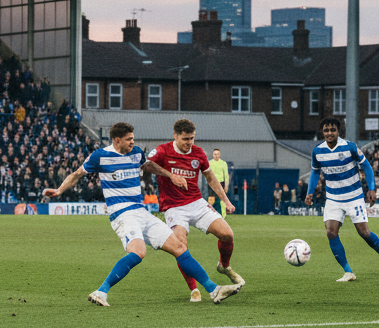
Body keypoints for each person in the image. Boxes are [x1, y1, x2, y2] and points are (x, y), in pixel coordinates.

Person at [43, 121, 240, 307]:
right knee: (138, 252)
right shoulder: (100, 156)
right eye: (129, 139)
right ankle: (101, 291)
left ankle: (214, 290)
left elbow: (148, 165)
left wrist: (171, 175)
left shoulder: (136, 153)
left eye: (133, 139)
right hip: (122, 214)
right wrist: (59, 191)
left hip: (141, 212)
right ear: (117, 140)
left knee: (179, 247)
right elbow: (76, 174)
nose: (133, 142)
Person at [143, 119, 244, 303]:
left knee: (227, 234)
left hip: (196, 202)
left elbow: (211, 178)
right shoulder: (163, 150)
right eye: (185, 139)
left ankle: (224, 266)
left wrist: (226, 201)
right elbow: (147, 165)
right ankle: (194, 289)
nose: (189, 142)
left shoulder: (198, 153)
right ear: (175, 136)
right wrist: (170, 175)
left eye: (192, 138)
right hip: (174, 206)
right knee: (181, 245)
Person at [303, 117, 379, 281]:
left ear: (338, 132)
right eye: (326, 130)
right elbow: (315, 172)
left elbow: (366, 165)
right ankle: (348, 271)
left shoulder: (350, 147)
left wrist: (372, 189)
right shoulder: (318, 151)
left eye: (332, 130)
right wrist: (310, 192)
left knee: (364, 233)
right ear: (322, 132)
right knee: (331, 232)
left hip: (354, 197)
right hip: (333, 198)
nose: (329, 133)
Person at [209, 148, 230, 215]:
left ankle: (223, 215)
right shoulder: (209, 163)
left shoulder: (223, 163)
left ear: (220, 154)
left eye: (217, 154)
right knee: (211, 199)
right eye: (215, 154)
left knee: (222, 199)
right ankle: (210, 213)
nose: (216, 155)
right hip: (211, 183)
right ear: (212, 155)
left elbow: (226, 175)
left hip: (221, 183)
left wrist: (226, 185)